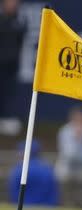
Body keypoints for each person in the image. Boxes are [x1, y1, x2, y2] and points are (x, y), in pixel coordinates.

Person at [0, 0, 25, 134]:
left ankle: (8, 119)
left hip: (13, 64)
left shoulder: (19, 21)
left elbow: (20, 40)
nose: (13, 4)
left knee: (10, 92)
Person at [8, 140, 59, 206]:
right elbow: (54, 193)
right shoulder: (48, 169)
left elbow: (14, 193)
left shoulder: (19, 170)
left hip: (24, 207)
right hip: (47, 208)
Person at [56, 105, 82, 179]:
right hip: (69, 164)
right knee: (60, 169)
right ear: (72, 119)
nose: (79, 121)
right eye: (76, 119)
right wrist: (77, 139)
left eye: (81, 118)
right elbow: (66, 153)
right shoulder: (65, 130)